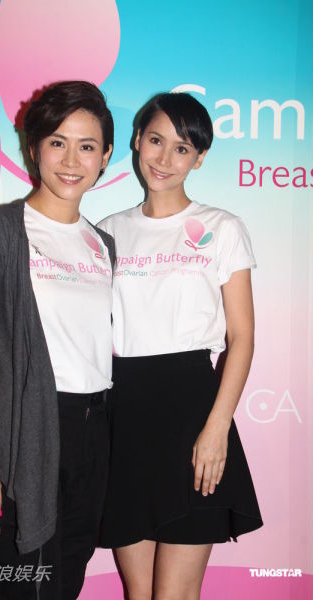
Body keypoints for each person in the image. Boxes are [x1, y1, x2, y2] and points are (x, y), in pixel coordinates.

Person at [0, 80, 115, 600]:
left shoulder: (104, 243)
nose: (72, 160)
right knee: (28, 585)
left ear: (106, 156)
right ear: (35, 147)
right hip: (26, 431)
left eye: (87, 146)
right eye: (57, 142)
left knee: (68, 580)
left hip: (94, 432)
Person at [97, 92, 263, 600]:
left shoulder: (222, 228)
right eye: (156, 140)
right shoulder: (106, 233)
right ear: (136, 140)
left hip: (193, 414)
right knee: (139, 593)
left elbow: (241, 338)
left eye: (183, 148)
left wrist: (216, 429)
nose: (165, 159)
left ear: (200, 158)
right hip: (123, 417)